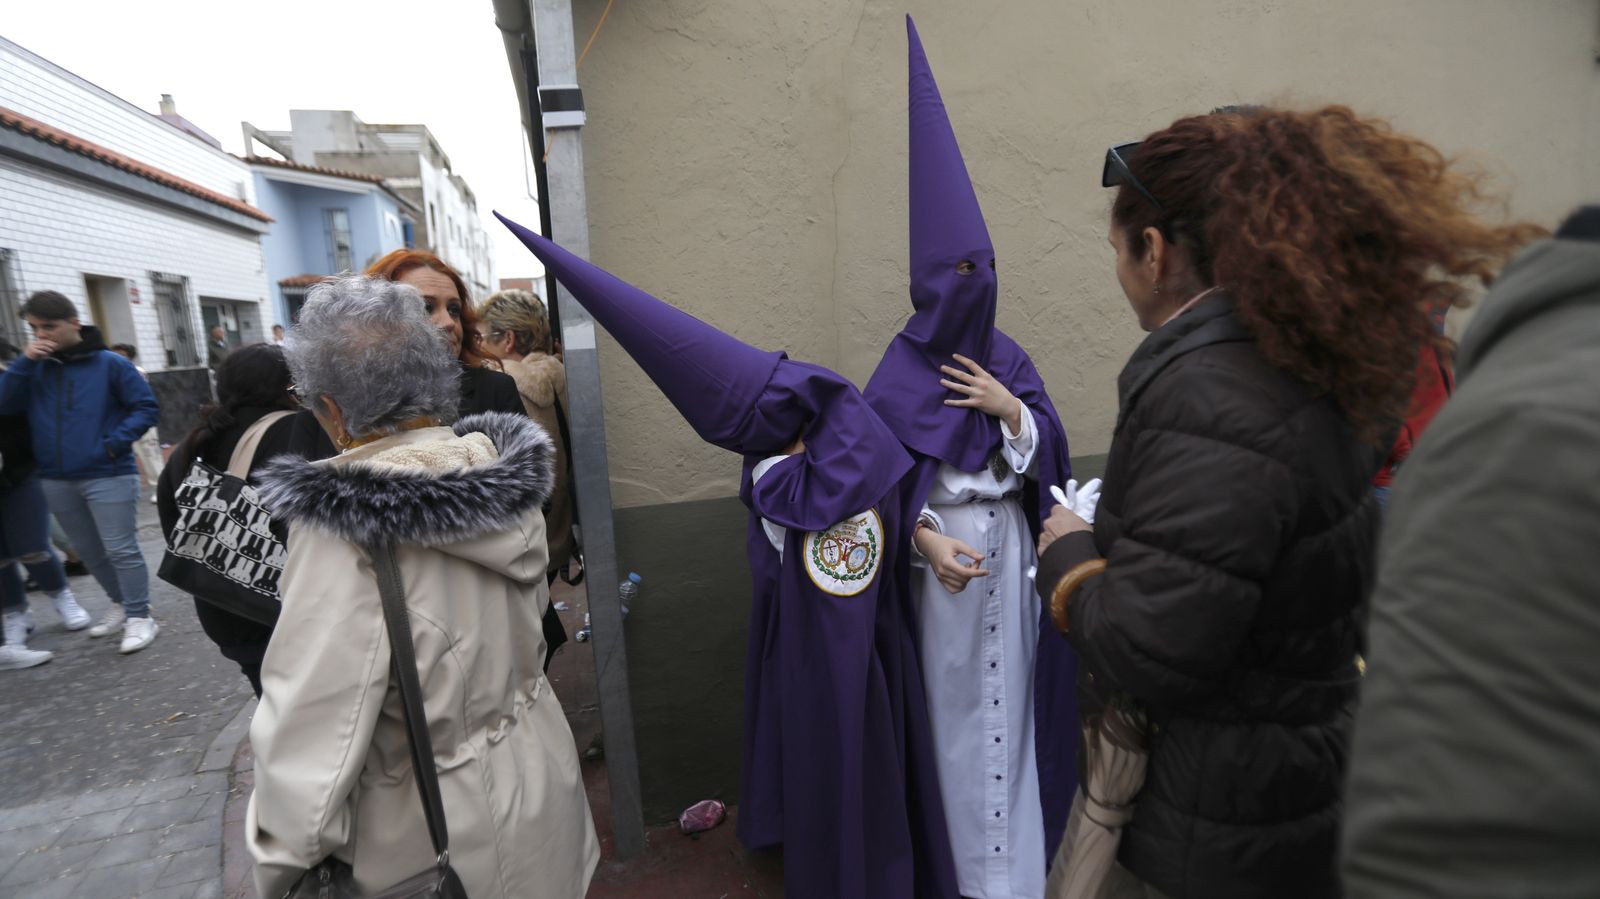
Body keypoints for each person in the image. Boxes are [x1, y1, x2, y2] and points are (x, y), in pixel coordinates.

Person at [1031, 107, 1539, 899]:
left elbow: (1155, 646)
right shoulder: (1302, 354)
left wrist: (1069, 560)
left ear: (1156, 252)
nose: (1121, 272)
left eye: (1119, 252)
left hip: (1214, 821)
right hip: (1285, 792)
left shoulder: (1208, 396)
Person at [500, 213, 960, 899]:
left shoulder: (850, 447)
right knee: (823, 772)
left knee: (865, 779)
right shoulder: (775, 471)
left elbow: (886, 504)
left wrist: (921, 531)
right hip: (808, 656)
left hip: (862, 654)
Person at [245, 275, 597, 898]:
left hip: (435, 845)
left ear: (330, 406)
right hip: (542, 795)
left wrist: (277, 870)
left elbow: (312, 741)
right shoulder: (497, 475)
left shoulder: (346, 532)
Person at [863, 21, 1077, 899]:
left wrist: (1010, 410)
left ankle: (1021, 876)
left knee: (1015, 715)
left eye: (982, 267)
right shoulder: (896, 371)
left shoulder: (1009, 355)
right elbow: (874, 488)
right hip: (943, 575)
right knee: (953, 719)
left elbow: (1049, 458)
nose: (972, 283)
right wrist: (921, 540)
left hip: (1012, 565)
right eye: (956, 270)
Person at [1342, 207, 1595, 897]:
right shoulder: (1412, 346)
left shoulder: (1444, 355)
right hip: (1410, 482)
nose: (1438, 311)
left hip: (1419, 483)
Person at [365, 251, 568, 665]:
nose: (447, 322)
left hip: (496, 612)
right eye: (426, 308)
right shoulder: (349, 405)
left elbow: (535, 496)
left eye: (454, 309)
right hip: (401, 632)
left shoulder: (493, 389)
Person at [0, 290, 162, 653]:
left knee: (121, 548)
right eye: (34, 328)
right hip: (55, 476)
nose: (42, 335)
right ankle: (122, 604)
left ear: (74, 323)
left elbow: (145, 408)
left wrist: (111, 443)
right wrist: (24, 363)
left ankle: (140, 616)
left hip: (108, 470)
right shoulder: (35, 367)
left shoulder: (110, 364)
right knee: (88, 552)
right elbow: (4, 405)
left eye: (49, 327)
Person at [157, 344, 299, 696]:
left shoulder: (193, 443)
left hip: (226, 613)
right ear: (291, 383)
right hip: (290, 615)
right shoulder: (299, 431)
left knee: (274, 708)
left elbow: (175, 529)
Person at [476, 288, 575, 582]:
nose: (476, 346)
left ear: (507, 339)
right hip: (561, 533)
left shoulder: (504, 386)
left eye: (480, 338)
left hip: (528, 544)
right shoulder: (560, 372)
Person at [1, 349, 90, 670]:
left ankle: (60, 596)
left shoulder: (14, 374)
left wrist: (25, 362)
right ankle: (14, 613)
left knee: (32, 546)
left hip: (19, 472)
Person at [110, 343, 164, 504]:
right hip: (120, 422)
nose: (117, 358)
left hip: (138, 421)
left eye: (121, 354)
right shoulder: (110, 373)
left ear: (129, 356)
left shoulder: (136, 372)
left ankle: (161, 489)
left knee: (150, 456)